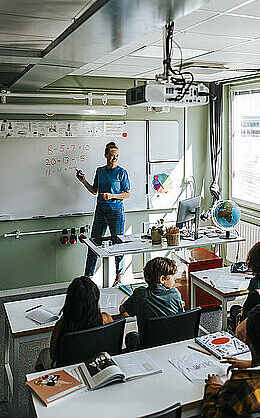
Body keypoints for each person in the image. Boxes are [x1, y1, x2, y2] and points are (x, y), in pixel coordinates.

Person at [76, 141, 130, 286]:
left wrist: (112, 196)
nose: (114, 159)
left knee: (117, 245)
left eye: (117, 156)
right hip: (100, 211)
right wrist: (83, 181)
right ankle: (88, 277)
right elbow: (94, 191)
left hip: (116, 212)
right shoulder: (100, 171)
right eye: (112, 156)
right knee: (94, 243)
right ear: (106, 155)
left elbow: (127, 194)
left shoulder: (121, 172)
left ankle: (118, 278)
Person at [35, 276, 113, 370]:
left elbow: (53, 355)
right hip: (96, 364)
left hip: (69, 369)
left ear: (70, 300)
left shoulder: (62, 325)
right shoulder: (106, 319)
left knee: (44, 353)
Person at [120, 257, 184, 351]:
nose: (175, 278)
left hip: (147, 346)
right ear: (162, 279)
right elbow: (181, 317)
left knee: (131, 336)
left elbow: (122, 310)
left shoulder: (140, 294)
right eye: (172, 276)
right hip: (172, 343)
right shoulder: (175, 294)